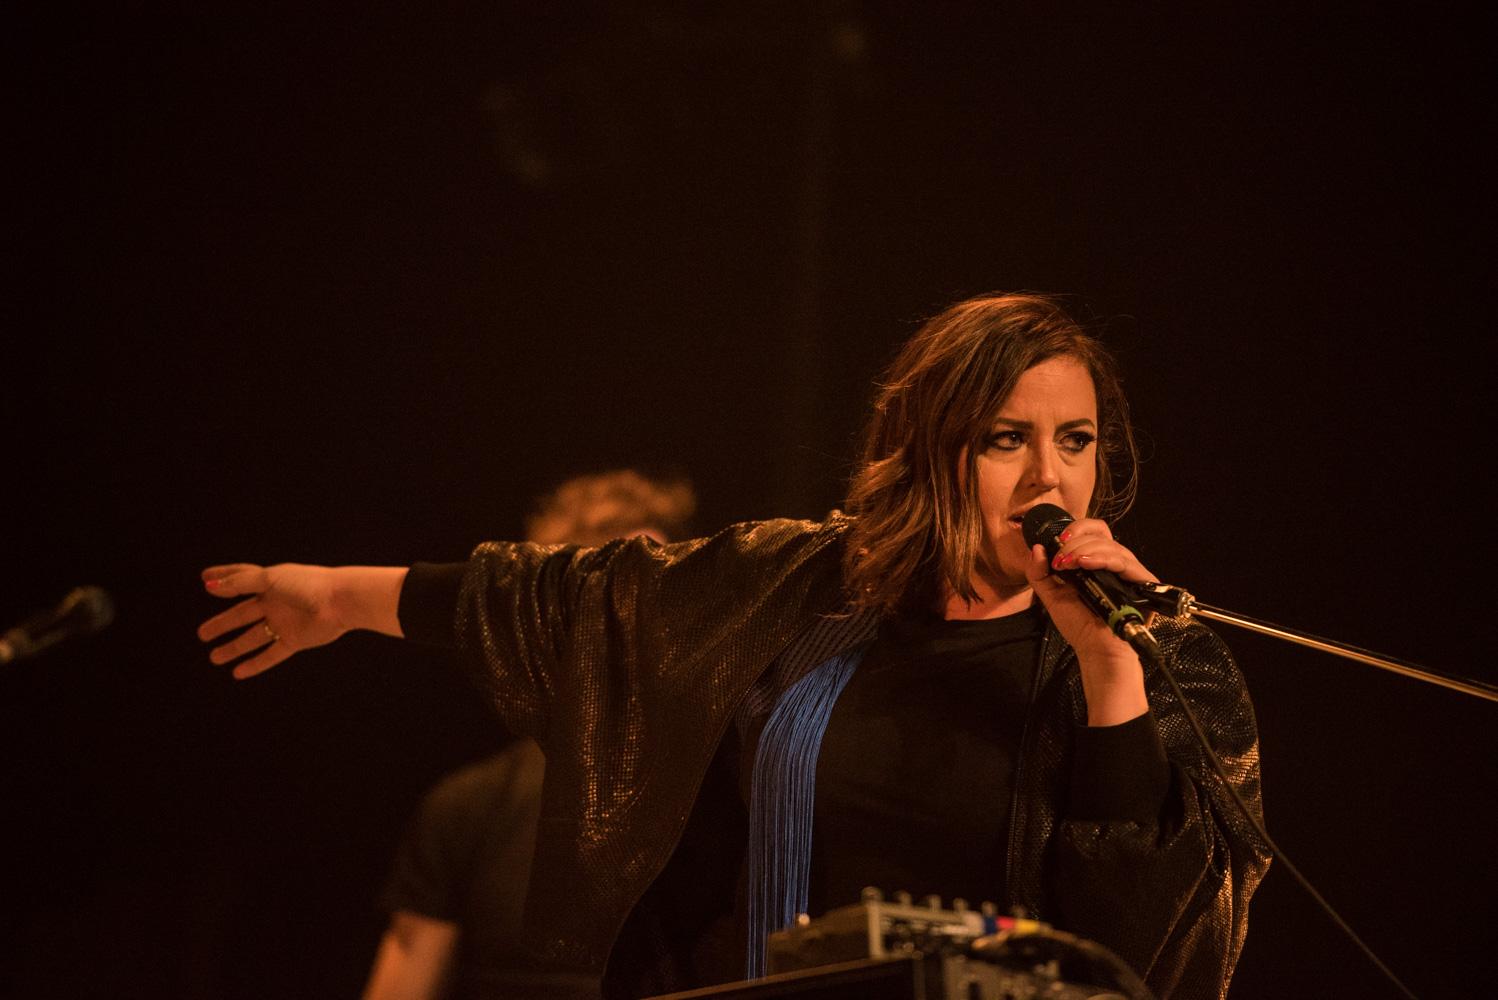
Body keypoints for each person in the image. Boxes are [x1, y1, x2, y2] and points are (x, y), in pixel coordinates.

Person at [198, 293, 1269, 1000]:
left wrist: (1111, 669)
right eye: (1006, 439)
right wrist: (337, 596)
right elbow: (578, 599)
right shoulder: (794, 590)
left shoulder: (1155, 653)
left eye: (1074, 441)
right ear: (931, 452)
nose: (1049, 478)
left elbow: (1143, 952)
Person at [362, 470, 696, 1000]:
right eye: (602, 591)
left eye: (654, 587)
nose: (631, 613)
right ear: (538, 619)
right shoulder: (467, 807)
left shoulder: (735, 786)